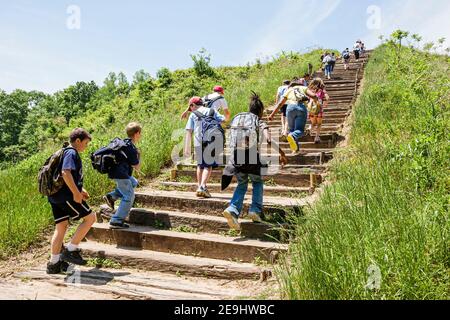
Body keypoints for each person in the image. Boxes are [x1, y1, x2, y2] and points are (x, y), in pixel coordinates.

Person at [222, 93, 288, 230]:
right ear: (261, 111)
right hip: (251, 156)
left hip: (236, 156)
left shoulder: (238, 118)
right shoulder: (259, 121)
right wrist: (282, 153)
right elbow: (269, 140)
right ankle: (255, 210)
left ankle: (233, 209)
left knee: (242, 183)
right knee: (257, 182)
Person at [46, 128, 96, 274]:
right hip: (66, 196)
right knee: (90, 218)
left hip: (55, 197)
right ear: (78, 141)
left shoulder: (65, 151)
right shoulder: (71, 152)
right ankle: (70, 250)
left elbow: (68, 176)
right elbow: (65, 172)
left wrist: (81, 190)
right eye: (85, 143)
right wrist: (76, 193)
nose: (86, 147)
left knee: (60, 228)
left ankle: (54, 264)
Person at [183, 97, 226, 198]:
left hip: (198, 142)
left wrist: (187, 148)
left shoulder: (193, 115)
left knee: (200, 165)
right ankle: (202, 187)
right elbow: (223, 120)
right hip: (211, 141)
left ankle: (200, 186)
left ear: (193, 105)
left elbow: (189, 131)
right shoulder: (212, 110)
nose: (190, 109)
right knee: (208, 165)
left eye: (190, 107)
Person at [103, 123, 142, 229]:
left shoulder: (124, 143)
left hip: (117, 172)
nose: (140, 135)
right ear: (137, 133)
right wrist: (139, 154)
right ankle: (116, 220)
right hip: (121, 174)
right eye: (140, 133)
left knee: (133, 182)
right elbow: (137, 166)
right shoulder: (131, 147)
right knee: (129, 196)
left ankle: (112, 196)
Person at [269, 79, 320, 154]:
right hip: (301, 108)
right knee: (299, 130)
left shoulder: (289, 90)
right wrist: (316, 104)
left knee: (292, 130)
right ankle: (291, 137)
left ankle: (295, 150)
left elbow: (280, 103)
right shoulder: (303, 88)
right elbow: (314, 96)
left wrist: (272, 115)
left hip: (290, 109)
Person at [308, 79, 330, 144]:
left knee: (313, 123)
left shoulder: (310, 90)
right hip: (319, 109)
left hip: (311, 109)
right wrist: (324, 104)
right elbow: (327, 98)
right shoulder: (322, 90)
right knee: (319, 124)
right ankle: (317, 137)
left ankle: (309, 129)